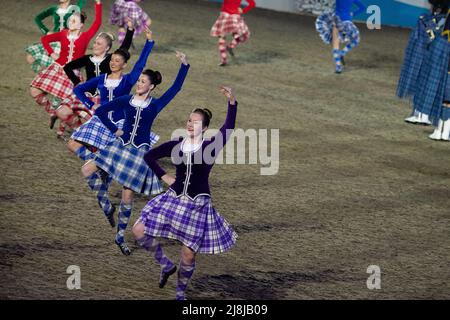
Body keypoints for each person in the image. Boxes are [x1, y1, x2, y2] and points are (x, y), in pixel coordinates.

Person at [133, 86, 239, 300]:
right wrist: (164, 176)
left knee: (188, 254)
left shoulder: (211, 146)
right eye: (189, 120)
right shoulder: (176, 145)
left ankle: (180, 294)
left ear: (205, 127)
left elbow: (228, 128)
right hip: (173, 199)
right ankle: (165, 265)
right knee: (138, 230)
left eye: (196, 122)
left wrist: (232, 103)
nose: (190, 124)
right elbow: (149, 156)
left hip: (197, 205)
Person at [80, 52, 190, 256]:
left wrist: (184, 66)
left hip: (139, 154)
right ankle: (105, 204)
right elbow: (101, 112)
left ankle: (120, 237)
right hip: (119, 146)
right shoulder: (126, 99)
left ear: (152, 87)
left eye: (143, 82)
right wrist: (114, 130)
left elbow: (175, 88)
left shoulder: (156, 104)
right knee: (87, 169)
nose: (139, 84)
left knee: (128, 197)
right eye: (138, 80)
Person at [68, 28, 158, 226]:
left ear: (124, 65)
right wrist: (91, 105)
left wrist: (149, 43)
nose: (113, 62)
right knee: (73, 143)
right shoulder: (101, 79)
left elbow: (141, 64)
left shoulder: (127, 80)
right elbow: (78, 89)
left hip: (117, 124)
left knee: (93, 171)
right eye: (112, 60)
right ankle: (106, 201)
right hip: (98, 120)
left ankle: (105, 203)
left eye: (117, 61)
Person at [55, 19, 135, 136]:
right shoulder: (87, 59)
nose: (95, 45)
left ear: (107, 48)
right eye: (95, 43)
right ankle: (79, 131)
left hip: (103, 99)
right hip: (87, 96)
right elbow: (68, 67)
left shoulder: (110, 60)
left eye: (99, 44)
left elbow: (125, 47)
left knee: (97, 123)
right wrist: (77, 82)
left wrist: (130, 30)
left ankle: (85, 135)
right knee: (61, 112)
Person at [29, 0, 102, 127]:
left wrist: (98, 4)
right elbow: (45, 39)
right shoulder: (63, 34)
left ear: (81, 25)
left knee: (67, 110)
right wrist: (51, 53)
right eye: (70, 20)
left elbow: (97, 22)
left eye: (74, 20)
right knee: (34, 91)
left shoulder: (85, 36)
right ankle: (51, 112)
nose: (70, 22)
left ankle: (78, 130)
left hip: (72, 75)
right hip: (56, 69)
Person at [399, 0, 449, 125]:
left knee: (426, 83)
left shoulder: (428, 20)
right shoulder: (441, 20)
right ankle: (421, 114)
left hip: (429, 56)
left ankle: (422, 114)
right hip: (438, 57)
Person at [25, 0, 87, 73]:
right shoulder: (53, 9)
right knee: (30, 56)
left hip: (66, 41)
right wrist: (46, 31)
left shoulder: (75, 8)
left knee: (61, 67)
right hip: (54, 40)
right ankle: (45, 76)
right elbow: (37, 18)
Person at [315, 0, 366, 73]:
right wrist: (353, 14)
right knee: (356, 40)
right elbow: (363, 8)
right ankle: (342, 53)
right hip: (346, 21)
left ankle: (338, 67)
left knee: (335, 44)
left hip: (337, 21)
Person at [210, 0, 255, 66]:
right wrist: (243, 10)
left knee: (222, 37)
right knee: (238, 34)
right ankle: (231, 46)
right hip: (235, 16)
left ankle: (224, 60)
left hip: (225, 15)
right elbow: (252, 3)